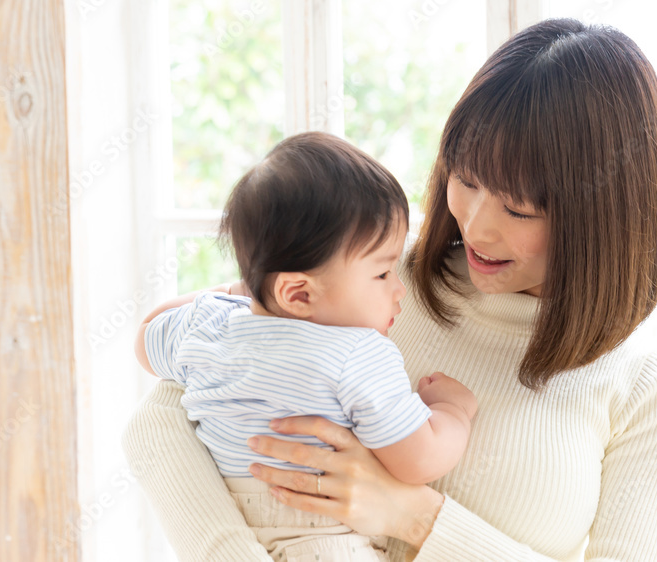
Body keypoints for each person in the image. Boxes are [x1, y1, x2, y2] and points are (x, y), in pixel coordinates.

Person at [122, 18, 657, 562]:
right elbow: (160, 421)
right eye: (465, 179)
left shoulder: (649, 381)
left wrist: (415, 516)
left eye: (519, 209)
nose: (474, 224)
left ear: (603, 214)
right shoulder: (367, 280)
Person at [133, 132, 478, 561]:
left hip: (231, 523)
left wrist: (238, 290)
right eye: (383, 274)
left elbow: (146, 338)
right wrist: (453, 412)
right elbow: (419, 461)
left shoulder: (210, 325)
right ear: (297, 294)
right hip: (326, 545)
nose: (399, 289)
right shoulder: (359, 353)